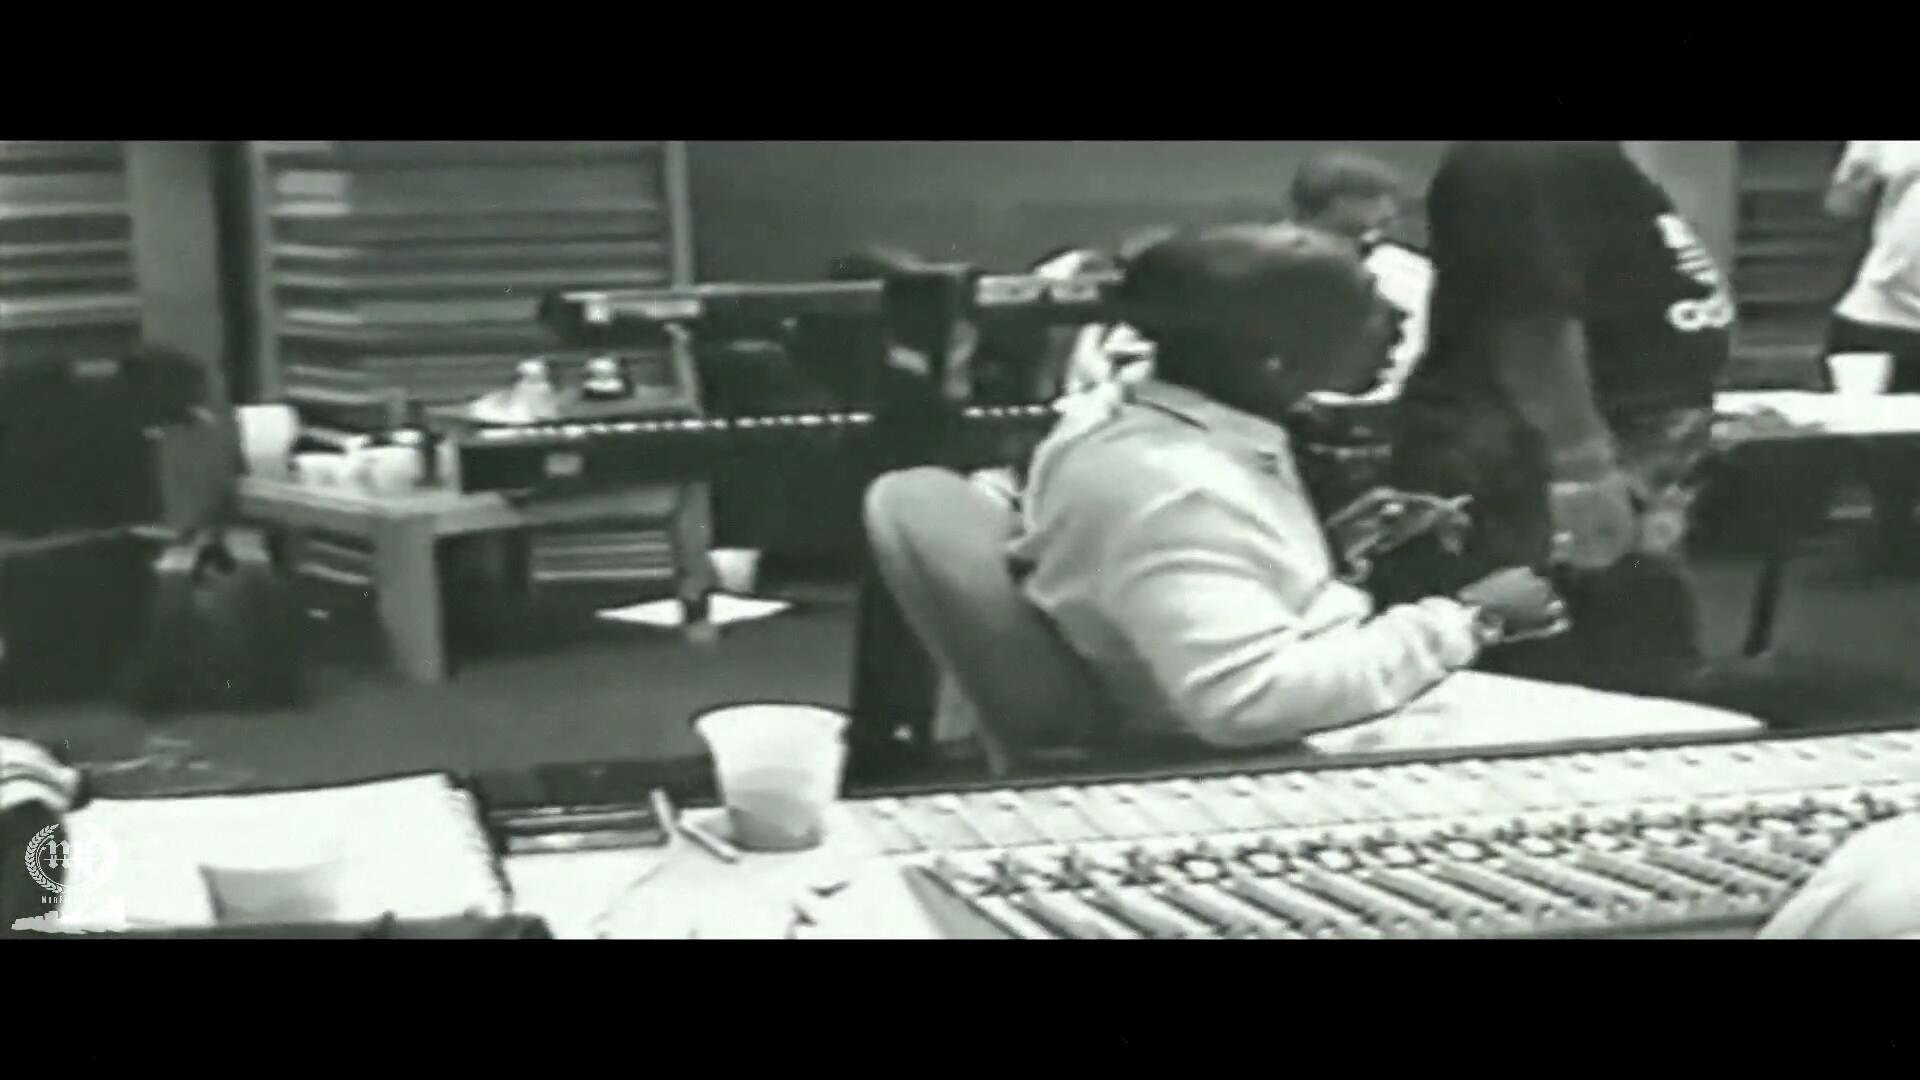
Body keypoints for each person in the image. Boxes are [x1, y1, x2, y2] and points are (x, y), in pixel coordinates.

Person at [1010, 224, 1567, 747]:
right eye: (1363, 307)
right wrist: (1471, 619)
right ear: (1273, 357)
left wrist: (1329, 552)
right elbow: (1248, 700)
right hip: (1266, 757)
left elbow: (1197, 576)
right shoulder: (1178, 494)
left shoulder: (1138, 424)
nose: (1397, 317)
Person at [1377, 141, 1735, 697]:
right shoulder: (1525, 155)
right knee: (1584, 683)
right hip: (1532, 471)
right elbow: (1529, 322)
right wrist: (1581, 468)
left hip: (1609, 465)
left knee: (1644, 667)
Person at [1823, 140, 1920, 571]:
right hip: (1880, 307)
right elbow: (1841, 206)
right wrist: (1853, 184)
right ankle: (1891, 534)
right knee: (1873, 432)